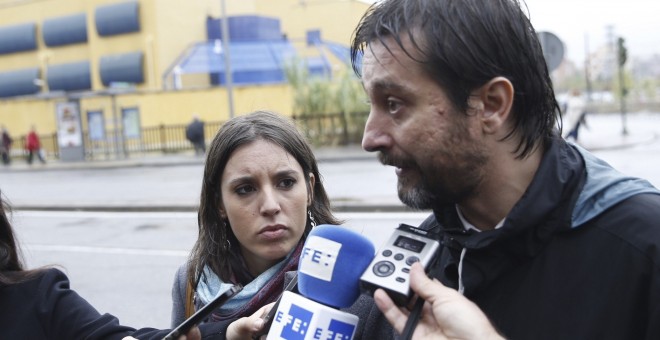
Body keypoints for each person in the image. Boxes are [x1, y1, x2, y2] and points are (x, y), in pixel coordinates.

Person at [345, 0, 660, 339]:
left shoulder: (643, 246)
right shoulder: (421, 258)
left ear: (492, 104)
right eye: (371, 105)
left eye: (394, 104)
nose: (370, 138)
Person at [170, 111, 341, 339]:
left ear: (309, 189)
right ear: (219, 203)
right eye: (245, 189)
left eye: (286, 183)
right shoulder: (192, 281)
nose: (270, 206)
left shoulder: (345, 282)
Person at [0, 190, 226, 339]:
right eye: (245, 189)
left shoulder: (38, 297)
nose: (263, 207)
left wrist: (228, 332)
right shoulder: (189, 277)